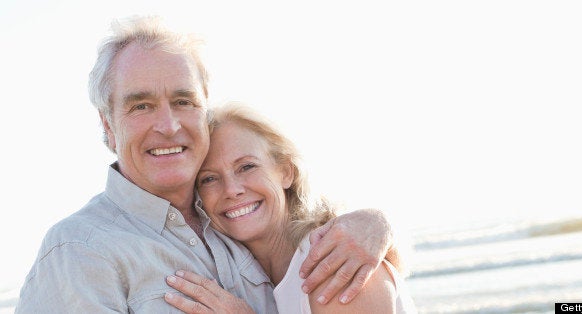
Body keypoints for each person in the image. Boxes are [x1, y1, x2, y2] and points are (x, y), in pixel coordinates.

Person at [15, 15, 397, 313]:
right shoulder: (81, 251)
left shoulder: (234, 225)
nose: (167, 126)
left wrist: (378, 223)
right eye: (141, 105)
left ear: (204, 110)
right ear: (107, 125)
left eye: (183, 101)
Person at [164, 102, 416, 313]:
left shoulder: (335, 264)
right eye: (209, 179)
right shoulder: (240, 277)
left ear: (286, 172)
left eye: (247, 167)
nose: (231, 190)